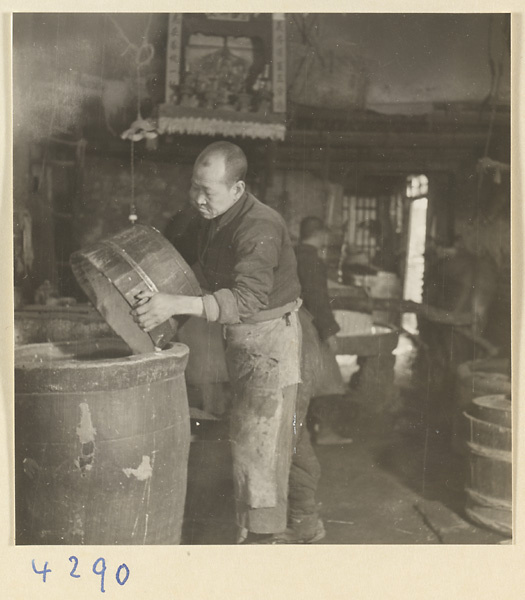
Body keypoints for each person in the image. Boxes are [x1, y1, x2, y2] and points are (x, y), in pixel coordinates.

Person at [132, 141, 324, 544]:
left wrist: (175, 304)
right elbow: (201, 274)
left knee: (261, 445)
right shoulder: (214, 218)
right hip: (248, 340)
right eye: (194, 188)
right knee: (286, 434)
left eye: (209, 192)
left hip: (277, 341)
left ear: (237, 189)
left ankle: (262, 542)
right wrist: (161, 313)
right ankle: (305, 524)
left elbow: (248, 298)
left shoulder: (260, 226)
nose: (198, 200)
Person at [295, 216, 353, 445]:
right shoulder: (311, 260)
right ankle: (324, 433)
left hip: (292, 324)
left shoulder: (293, 254)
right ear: (320, 234)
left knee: (303, 379)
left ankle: (304, 432)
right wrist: (329, 332)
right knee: (329, 380)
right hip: (307, 325)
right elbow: (317, 299)